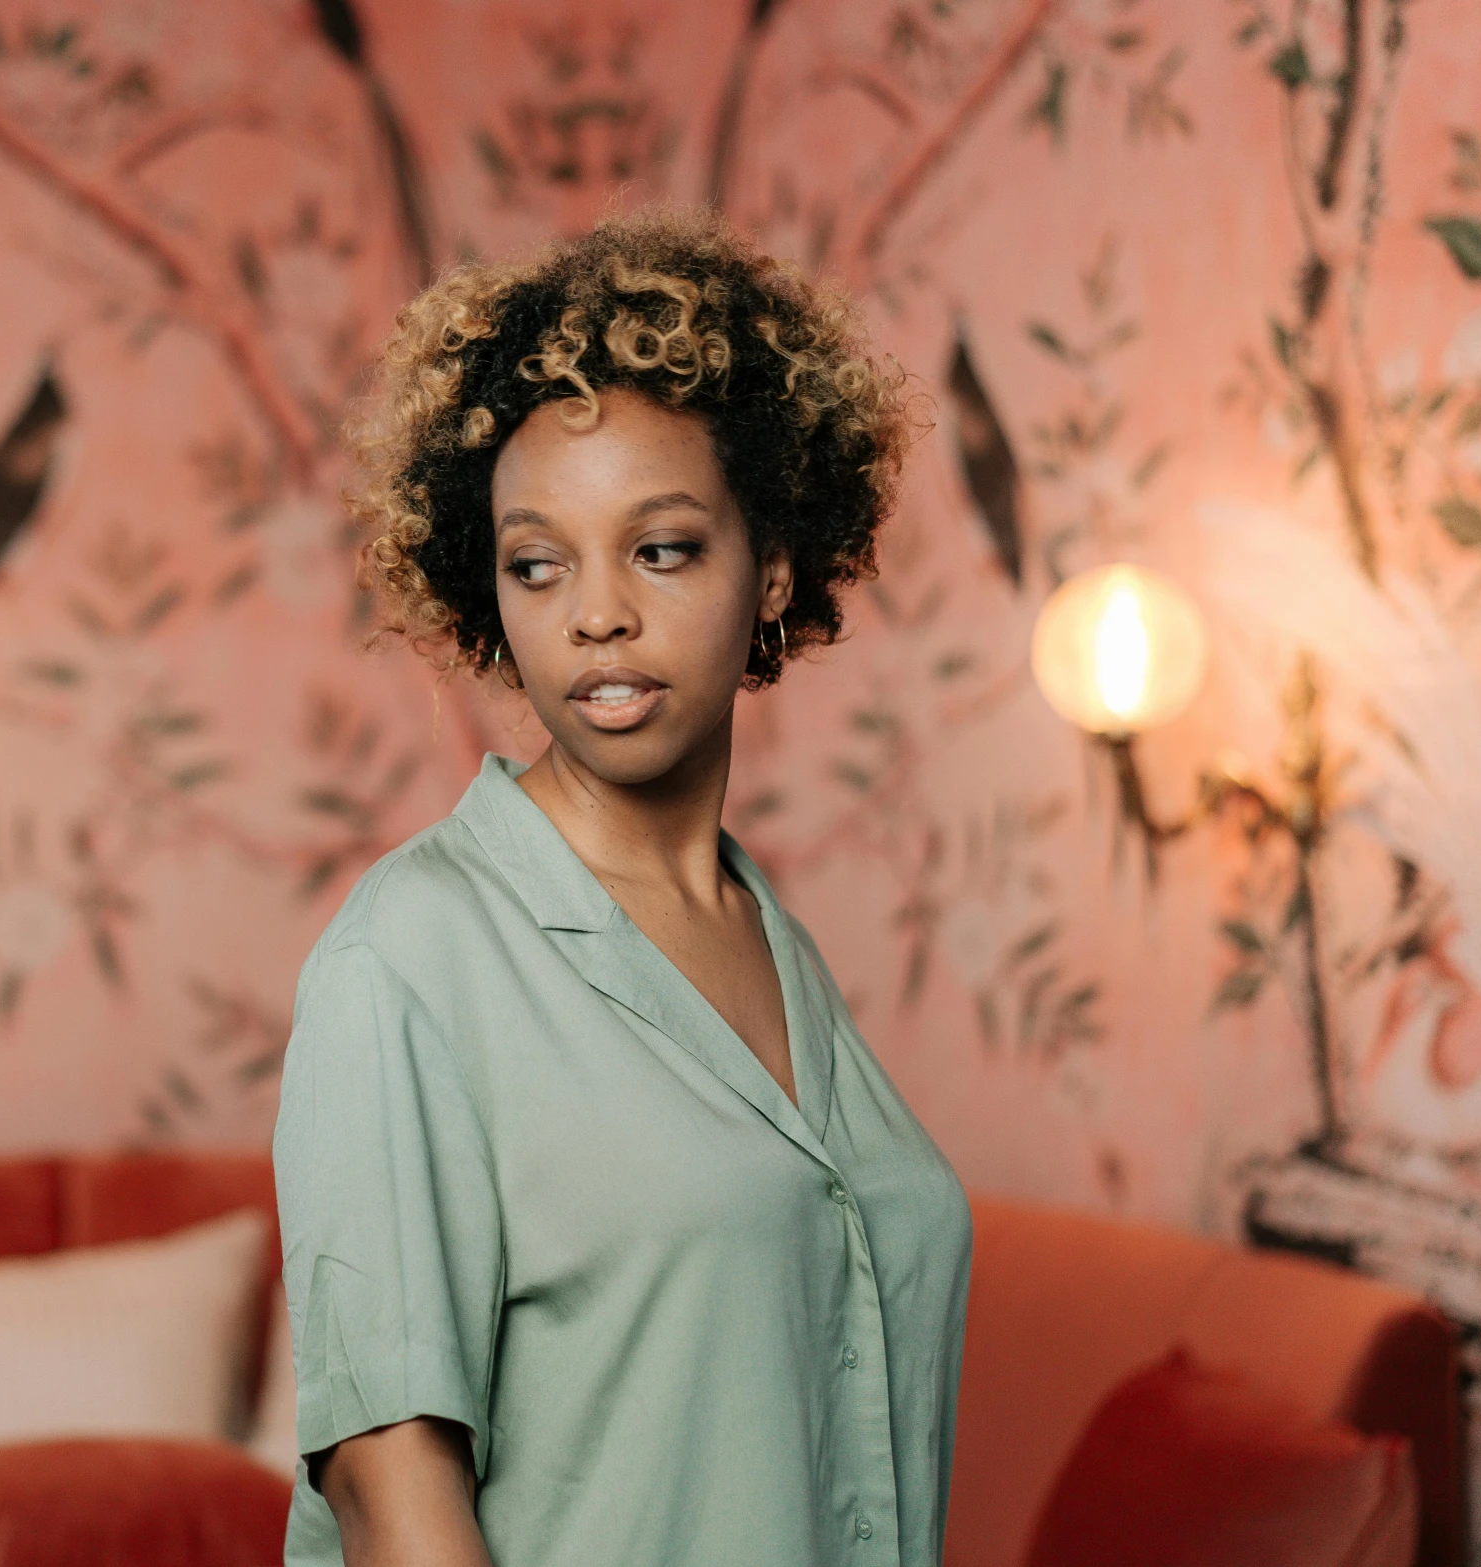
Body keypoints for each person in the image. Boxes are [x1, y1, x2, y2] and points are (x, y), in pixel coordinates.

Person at [271, 208, 973, 1567]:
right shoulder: (407, 955)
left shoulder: (771, 941)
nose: (595, 612)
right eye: (537, 563)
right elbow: (389, 1486)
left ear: (769, 567)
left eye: (659, 548)